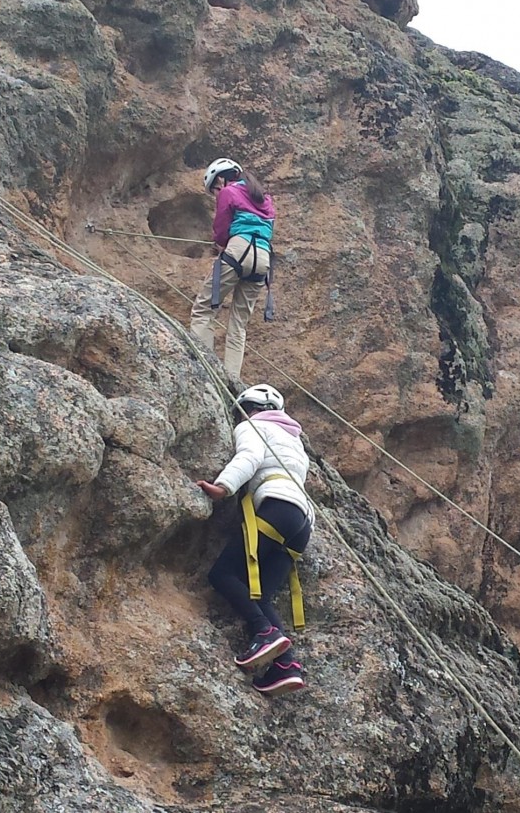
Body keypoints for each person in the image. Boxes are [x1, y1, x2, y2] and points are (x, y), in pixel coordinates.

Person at [197, 384, 314, 697]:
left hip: (276, 507)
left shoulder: (254, 425)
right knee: (259, 595)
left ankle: (264, 632)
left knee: (221, 574)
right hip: (301, 524)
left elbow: (249, 455)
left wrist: (224, 487)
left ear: (248, 407)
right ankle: (286, 665)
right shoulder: (293, 440)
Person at [190, 158, 275, 379]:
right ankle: (232, 379)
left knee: (203, 310)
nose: (216, 195)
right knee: (239, 324)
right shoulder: (265, 199)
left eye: (214, 190)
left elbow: (220, 228)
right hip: (263, 258)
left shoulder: (228, 193)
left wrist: (220, 244)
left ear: (221, 179)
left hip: (239, 249)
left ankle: (203, 372)